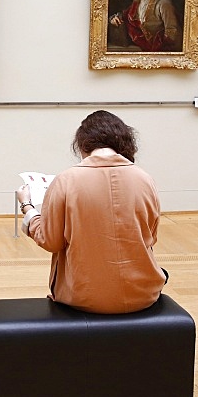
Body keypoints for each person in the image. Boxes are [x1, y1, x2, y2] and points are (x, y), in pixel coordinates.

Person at [15, 111, 167, 314]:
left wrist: (27, 207)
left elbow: (50, 241)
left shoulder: (67, 180)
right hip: (142, 295)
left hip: (81, 296)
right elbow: (150, 238)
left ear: (82, 144)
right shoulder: (144, 179)